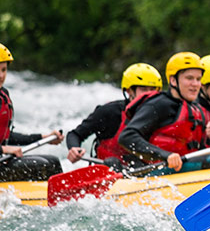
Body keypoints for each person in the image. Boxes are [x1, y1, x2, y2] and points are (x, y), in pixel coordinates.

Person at [119, 52, 210, 173]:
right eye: (189, 78)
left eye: (198, 79)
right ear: (173, 80)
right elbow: (127, 137)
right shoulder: (159, 104)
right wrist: (165, 155)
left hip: (183, 171)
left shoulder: (195, 109)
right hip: (152, 173)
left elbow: (202, 153)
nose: (195, 84)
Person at [65, 63, 163, 169]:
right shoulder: (109, 112)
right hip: (110, 172)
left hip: (150, 172)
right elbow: (75, 134)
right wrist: (74, 149)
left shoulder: (165, 113)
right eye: (143, 89)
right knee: (113, 162)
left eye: (153, 89)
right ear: (129, 91)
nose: (149, 94)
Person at [0, 43, 64, 181]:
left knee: (53, 161)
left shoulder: (3, 94)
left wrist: (44, 138)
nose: (1, 76)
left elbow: (6, 136)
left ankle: (66, 199)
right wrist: (5, 150)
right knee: (43, 166)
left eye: (4, 70)